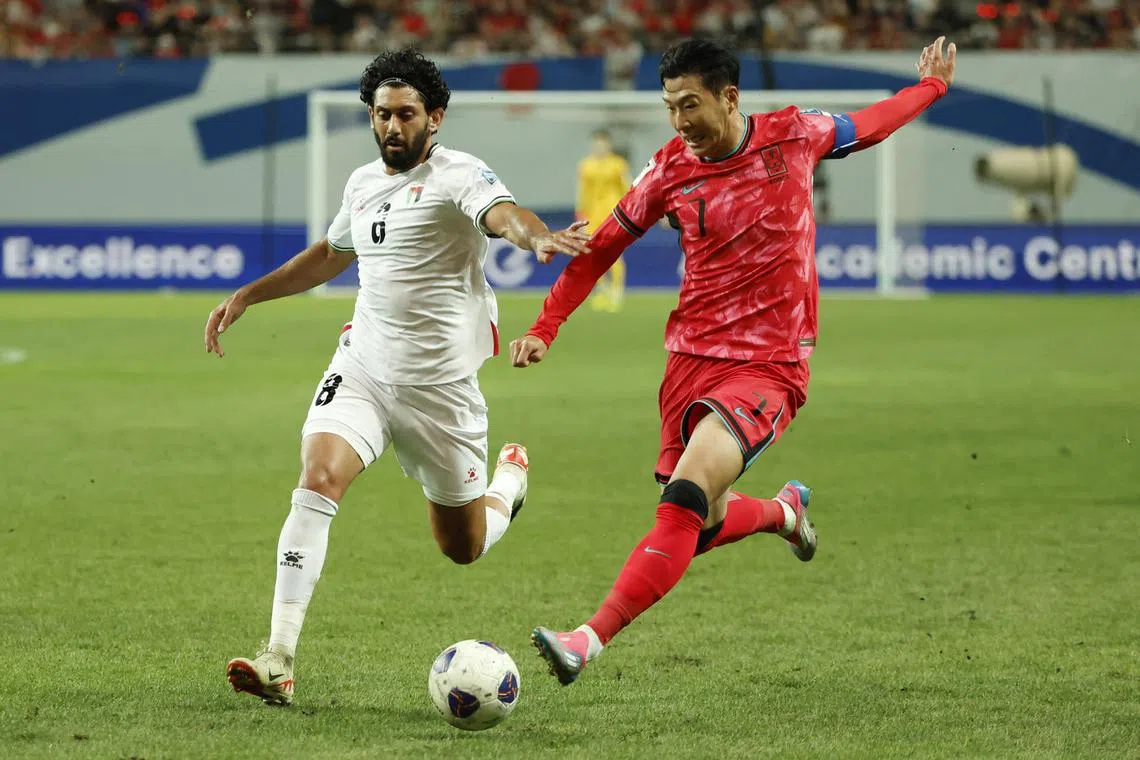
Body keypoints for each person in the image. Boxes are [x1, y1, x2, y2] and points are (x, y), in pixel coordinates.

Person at [510, 35, 956, 685]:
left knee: (685, 498)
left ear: (729, 97)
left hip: (769, 365)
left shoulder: (794, 136)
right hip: (688, 361)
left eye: (690, 104)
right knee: (704, 521)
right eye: (669, 106)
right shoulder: (668, 169)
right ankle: (783, 513)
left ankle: (587, 638)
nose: (679, 120)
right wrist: (545, 326)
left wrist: (931, 88)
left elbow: (871, 124)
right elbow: (602, 247)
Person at [204, 47, 591, 705]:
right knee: (318, 477)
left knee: (463, 547)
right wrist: (248, 295)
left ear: (433, 118)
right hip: (364, 368)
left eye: (405, 114)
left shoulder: (459, 174)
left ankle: (507, 486)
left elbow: (505, 216)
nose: (391, 126)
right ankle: (279, 657)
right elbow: (331, 254)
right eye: (381, 114)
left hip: (442, 394)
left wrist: (535, 237)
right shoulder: (361, 183)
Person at [576, 129, 630, 312]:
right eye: (596, 143)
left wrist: (630, 212)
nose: (599, 147)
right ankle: (601, 290)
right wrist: (581, 217)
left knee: (614, 253)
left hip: (614, 214)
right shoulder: (585, 166)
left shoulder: (618, 165)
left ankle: (616, 292)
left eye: (603, 143)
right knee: (593, 254)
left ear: (609, 145)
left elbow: (627, 189)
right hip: (593, 216)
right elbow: (583, 193)